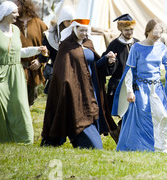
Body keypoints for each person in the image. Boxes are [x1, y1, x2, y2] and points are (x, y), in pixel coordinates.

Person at [112, 19, 167, 152]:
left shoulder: (161, 47)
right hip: (140, 88)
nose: (158, 35)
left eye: (160, 33)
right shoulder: (137, 47)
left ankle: (159, 146)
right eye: (155, 32)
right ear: (148, 31)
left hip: (156, 89)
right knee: (142, 118)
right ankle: (139, 147)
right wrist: (129, 91)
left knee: (162, 116)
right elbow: (129, 71)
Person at [41, 19, 118, 149]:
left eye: (86, 30)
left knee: (92, 119)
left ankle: (81, 136)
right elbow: (62, 70)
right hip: (75, 89)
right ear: (74, 29)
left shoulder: (88, 43)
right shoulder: (66, 46)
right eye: (81, 30)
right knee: (76, 113)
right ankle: (75, 134)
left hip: (90, 89)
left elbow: (93, 66)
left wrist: (107, 60)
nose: (84, 33)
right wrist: (68, 87)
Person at [0, 1, 47, 143]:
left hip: (16, 72)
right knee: (0, 105)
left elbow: (19, 52)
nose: (17, 15)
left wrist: (37, 49)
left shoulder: (16, 30)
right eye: (14, 12)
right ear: (5, 14)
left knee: (19, 104)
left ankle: (23, 137)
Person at [98, 14, 139, 141]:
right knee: (125, 112)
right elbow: (109, 69)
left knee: (135, 112)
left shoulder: (137, 43)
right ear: (121, 30)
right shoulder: (114, 45)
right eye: (127, 30)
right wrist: (110, 61)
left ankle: (121, 134)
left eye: (131, 29)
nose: (130, 32)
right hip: (119, 84)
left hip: (136, 84)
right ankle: (118, 134)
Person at [13, 0, 48, 106]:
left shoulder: (39, 24)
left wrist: (40, 61)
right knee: (14, 101)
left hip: (33, 68)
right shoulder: (11, 23)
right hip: (15, 67)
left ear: (25, 6)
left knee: (29, 102)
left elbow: (48, 46)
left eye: (17, 4)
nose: (14, 7)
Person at [39, 6, 75, 94]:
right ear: (62, 21)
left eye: (72, 21)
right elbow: (44, 57)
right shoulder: (51, 35)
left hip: (73, 72)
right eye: (68, 21)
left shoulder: (76, 34)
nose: (70, 24)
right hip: (56, 73)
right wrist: (44, 54)